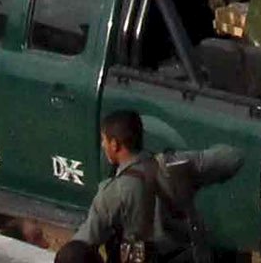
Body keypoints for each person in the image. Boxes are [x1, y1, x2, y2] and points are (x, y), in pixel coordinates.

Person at [56, 112, 245, 263]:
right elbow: (233, 158)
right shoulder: (174, 167)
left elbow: (80, 247)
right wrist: (189, 164)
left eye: (104, 140)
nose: (103, 145)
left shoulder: (111, 193)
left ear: (115, 145)